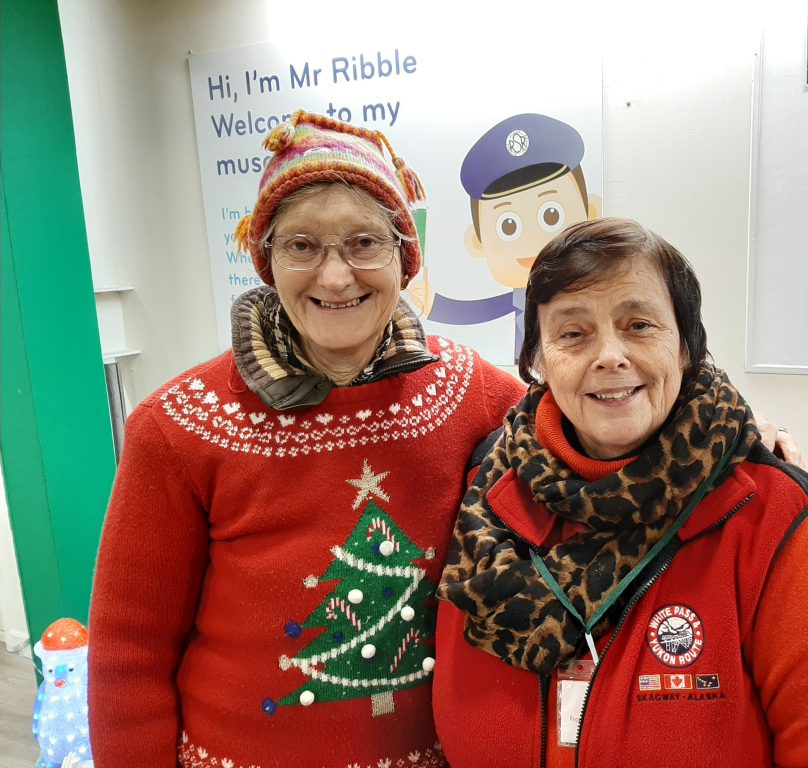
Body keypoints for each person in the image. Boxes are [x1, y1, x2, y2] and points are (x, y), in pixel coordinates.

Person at [87, 110, 527, 768]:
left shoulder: (476, 397)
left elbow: (593, 442)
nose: (335, 276)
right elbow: (130, 655)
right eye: (301, 246)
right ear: (266, 259)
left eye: (363, 243)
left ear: (405, 257)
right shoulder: (176, 426)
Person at [435, 218, 808, 767]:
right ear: (539, 359)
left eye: (639, 325)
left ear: (685, 348)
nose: (609, 355)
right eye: (572, 333)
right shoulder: (488, 482)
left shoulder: (770, 512)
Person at [415, 113, 601, 361]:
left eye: (551, 215)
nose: (533, 242)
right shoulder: (518, 299)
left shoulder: (593, 292)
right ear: (477, 241)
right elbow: (478, 311)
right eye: (509, 225)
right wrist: (431, 303)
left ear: (592, 215)